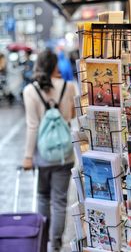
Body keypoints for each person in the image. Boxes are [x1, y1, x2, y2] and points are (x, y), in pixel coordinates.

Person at [22, 50, 76, 251]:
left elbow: (32, 126)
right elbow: (71, 117)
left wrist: (28, 157)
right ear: (55, 66)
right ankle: (56, 245)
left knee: (43, 198)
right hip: (65, 154)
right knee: (60, 201)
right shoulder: (69, 87)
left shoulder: (30, 91)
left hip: (43, 156)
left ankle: (42, 243)